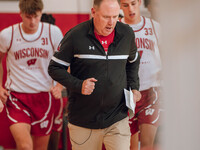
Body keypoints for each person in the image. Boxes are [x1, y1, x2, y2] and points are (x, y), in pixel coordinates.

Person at [48, 0, 141, 150]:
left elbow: (133, 62)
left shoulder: (127, 33)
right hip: (83, 122)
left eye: (115, 16)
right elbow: (54, 68)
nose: (111, 23)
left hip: (117, 118)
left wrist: (134, 87)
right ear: (93, 12)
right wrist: (79, 85)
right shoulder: (75, 35)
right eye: (106, 17)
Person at [0, 0, 63, 149]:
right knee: (25, 146)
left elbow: (66, 61)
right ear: (21, 14)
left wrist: (60, 85)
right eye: (28, 17)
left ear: (41, 13)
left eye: (36, 16)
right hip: (17, 97)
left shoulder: (53, 32)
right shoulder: (7, 35)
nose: (33, 21)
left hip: (43, 97)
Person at [120, 0, 162, 150]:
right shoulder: (117, 29)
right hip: (127, 93)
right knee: (130, 146)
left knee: (146, 143)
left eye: (133, 3)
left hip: (151, 91)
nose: (130, 8)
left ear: (139, 2)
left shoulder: (155, 27)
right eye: (125, 5)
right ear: (120, 6)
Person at [40, 12, 64, 150]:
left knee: (56, 126)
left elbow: (68, 66)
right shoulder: (30, 44)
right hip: (35, 92)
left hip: (54, 91)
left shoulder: (58, 43)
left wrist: (60, 87)